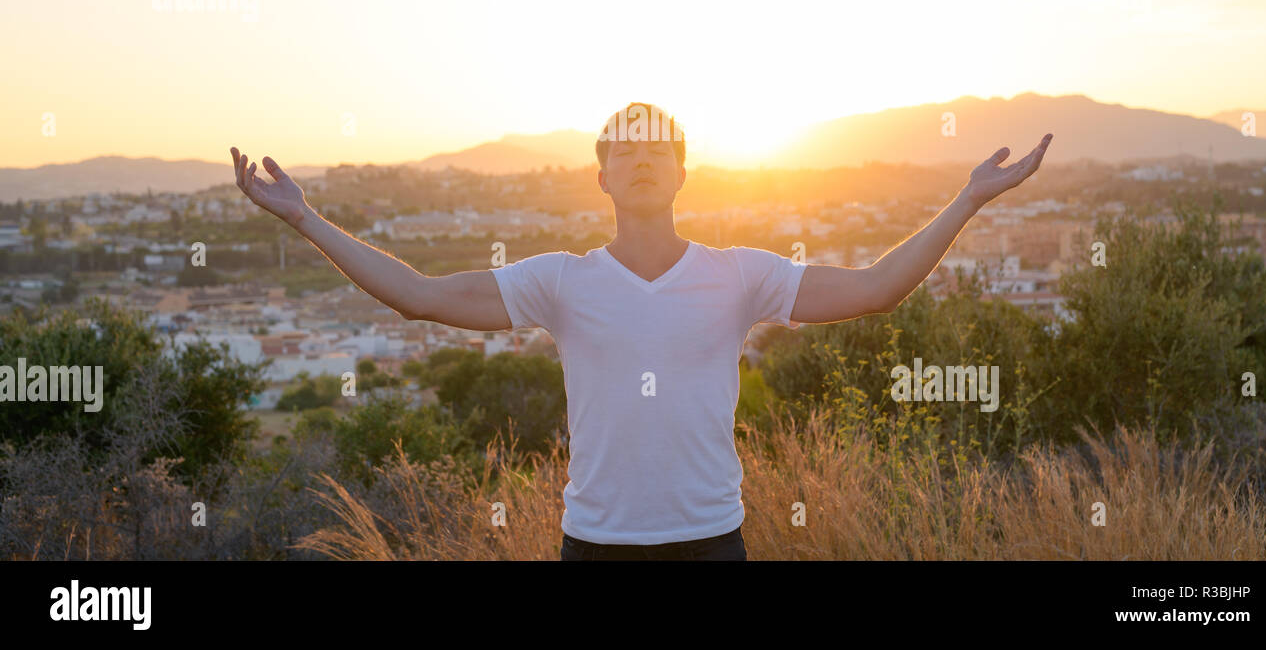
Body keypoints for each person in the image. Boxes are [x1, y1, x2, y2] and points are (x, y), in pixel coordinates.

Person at [230, 103, 1051, 560]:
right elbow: (415, 294)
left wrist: (968, 200)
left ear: (685, 169)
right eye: (627, 150)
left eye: (660, 147)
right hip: (595, 549)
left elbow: (876, 288)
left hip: (709, 544)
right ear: (603, 175)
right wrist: (306, 219)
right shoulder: (562, 281)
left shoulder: (739, 275)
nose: (644, 157)